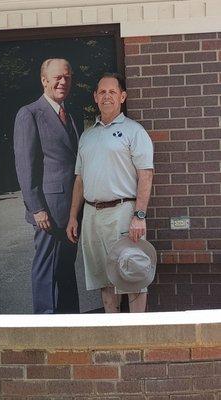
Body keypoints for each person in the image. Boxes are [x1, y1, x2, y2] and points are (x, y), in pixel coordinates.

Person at [66, 72, 154, 313]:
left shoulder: (134, 131)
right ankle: (114, 333)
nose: (107, 96)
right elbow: (80, 179)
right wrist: (74, 216)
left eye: (112, 92)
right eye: (102, 92)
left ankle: (137, 339)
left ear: (122, 96)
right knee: (104, 279)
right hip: (93, 216)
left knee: (133, 275)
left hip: (124, 213)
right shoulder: (87, 135)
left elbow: (146, 174)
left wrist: (139, 215)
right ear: (95, 96)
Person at [14, 58, 80, 314]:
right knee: (45, 269)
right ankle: (44, 321)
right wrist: (36, 208)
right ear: (44, 80)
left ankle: (70, 321)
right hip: (48, 211)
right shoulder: (29, 114)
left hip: (70, 210)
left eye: (67, 77)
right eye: (57, 77)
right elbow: (25, 166)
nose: (63, 82)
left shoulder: (69, 115)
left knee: (65, 268)